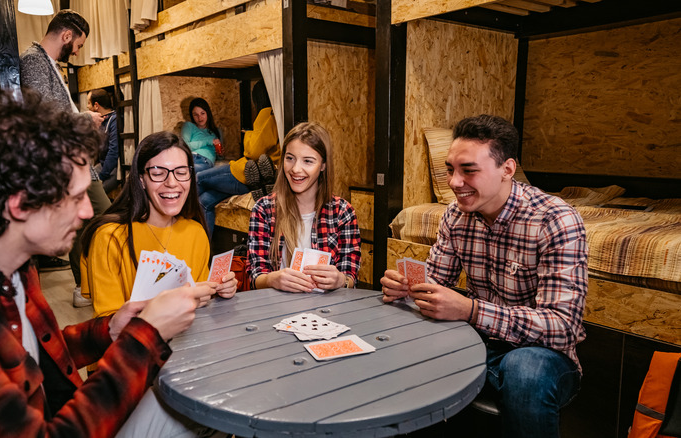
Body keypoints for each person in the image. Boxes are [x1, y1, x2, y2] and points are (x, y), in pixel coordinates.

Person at [0, 89, 217, 437]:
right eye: (76, 196)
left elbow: (39, 354)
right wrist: (146, 335)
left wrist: (109, 330)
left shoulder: (13, 266)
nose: (87, 212)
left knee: (205, 409)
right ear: (21, 203)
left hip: (64, 408)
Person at [380, 114, 588, 437]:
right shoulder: (454, 216)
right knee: (409, 347)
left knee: (524, 371)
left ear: (507, 169)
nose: (454, 182)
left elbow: (562, 328)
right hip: (476, 340)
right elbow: (436, 281)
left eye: (469, 170)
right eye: (451, 169)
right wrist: (407, 288)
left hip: (542, 356)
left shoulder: (555, 220)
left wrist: (471, 310)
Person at [81, 131, 238, 319]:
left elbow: (200, 301)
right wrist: (183, 300)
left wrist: (218, 289)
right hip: (135, 345)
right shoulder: (109, 237)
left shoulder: (196, 232)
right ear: (141, 179)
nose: (171, 183)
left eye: (181, 173)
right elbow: (108, 324)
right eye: (158, 173)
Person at [20, 9, 111, 307]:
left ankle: (85, 285)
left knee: (93, 220)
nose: (77, 51)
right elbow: (41, 115)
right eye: (79, 45)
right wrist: (84, 118)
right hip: (63, 163)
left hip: (74, 161)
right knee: (103, 216)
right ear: (67, 35)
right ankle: (86, 284)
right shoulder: (34, 61)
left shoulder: (47, 63)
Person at [248, 122, 361, 292]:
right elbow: (255, 277)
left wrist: (340, 280)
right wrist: (272, 279)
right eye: (290, 158)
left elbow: (350, 277)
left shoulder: (342, 212)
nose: (295, 169)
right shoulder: (263, 209)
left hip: (327, 310)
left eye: (308, 161)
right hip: (275, 310)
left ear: (323, 166)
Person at [197, 80, 280, 237]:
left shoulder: (267, 113)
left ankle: (179, 227)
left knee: (199, 178)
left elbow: (253, 150)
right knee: (204, 201)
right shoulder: (280, 115)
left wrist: (247, 133)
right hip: (255, 174)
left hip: (244, 173)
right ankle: (204, 251)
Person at [88, 88, 120, 195]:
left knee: (94, 194)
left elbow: (113, 151)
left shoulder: (114, 120)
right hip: (102, 165)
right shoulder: (99, 122)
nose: (87, 107)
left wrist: (101, 176)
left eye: (89, 103)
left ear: (96, 105)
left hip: (114, 168)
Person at [181, 97, 221, 173]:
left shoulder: (216, 132)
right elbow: (184, 147)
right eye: (195, 115)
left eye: (202, 113)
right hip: (189, 158)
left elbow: (219, 157)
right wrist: (208, 141)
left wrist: (220, 154)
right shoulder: (188, 126)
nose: (199, 118)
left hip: (205, 160)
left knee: (188, 173)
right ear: (191, 115)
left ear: (207, 113)